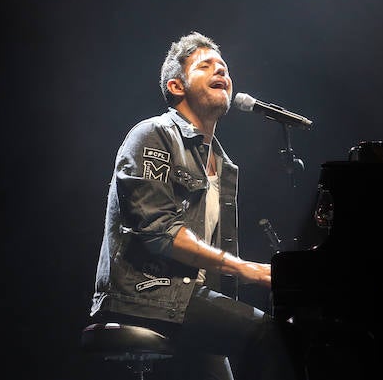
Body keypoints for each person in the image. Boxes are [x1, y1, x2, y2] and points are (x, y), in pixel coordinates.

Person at [88, 31, 304, 380]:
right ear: (177, 86)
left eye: (224, 67)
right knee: (270, 336)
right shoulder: (152, 134)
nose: (222, 72)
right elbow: (160, 232)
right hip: (146, 296)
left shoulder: (224, 163)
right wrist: (251, 270)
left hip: (189, 300)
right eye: (206, 66)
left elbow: (211, 258)